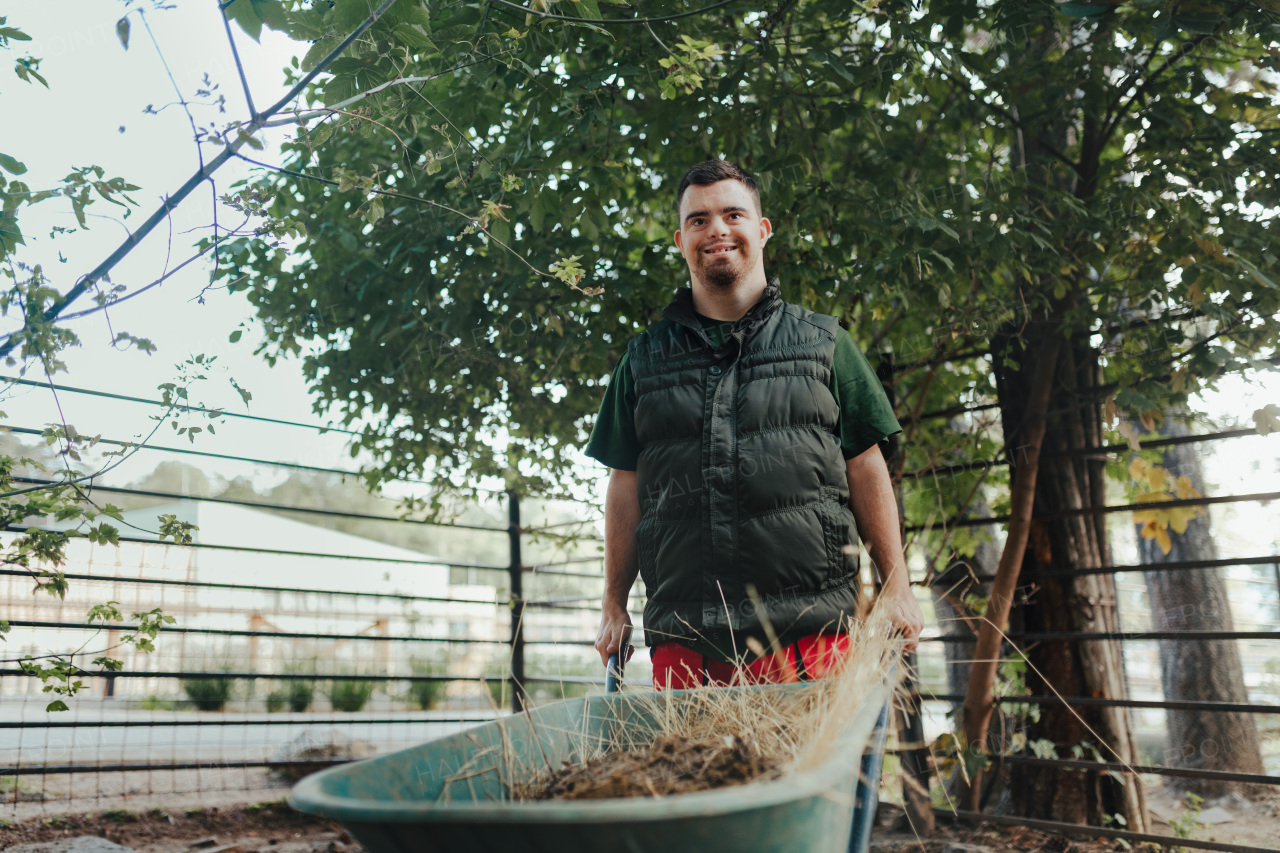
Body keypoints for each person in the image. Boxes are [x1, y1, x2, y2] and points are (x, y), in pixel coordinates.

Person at [586, 160, 924, 689]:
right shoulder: (643, 361)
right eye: (698, 220)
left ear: (761, 231)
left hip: (813, 641)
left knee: (818, 776)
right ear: (681, 241)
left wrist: (896, 586)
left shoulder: (826, 345)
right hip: (686, 646)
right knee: (692, 775)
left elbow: (866, 468)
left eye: (732, 214)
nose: (716, 228)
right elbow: (625, 487)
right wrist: (613, 603)